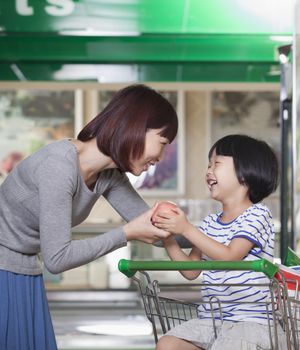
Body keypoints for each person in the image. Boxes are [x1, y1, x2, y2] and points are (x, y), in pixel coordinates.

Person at [0, 84, 178, 350]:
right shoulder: (59, 166)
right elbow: (57, 259)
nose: (161, 157)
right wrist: (126, 234)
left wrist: (224, 239)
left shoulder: (108, 175)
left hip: (24, 272)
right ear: (135, 127)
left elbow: (156, 231)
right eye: (162, 143)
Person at [152, 134, 280, 350]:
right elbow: (192, 270)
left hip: (250, 322)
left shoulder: (258, 214)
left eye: (216, 163)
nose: (208, 171)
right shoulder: (209, 223)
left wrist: (186, 228)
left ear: (244, 172)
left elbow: (231, 256)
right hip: (212, 319)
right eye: (208, 164)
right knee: (167, 344)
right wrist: (169, 237)